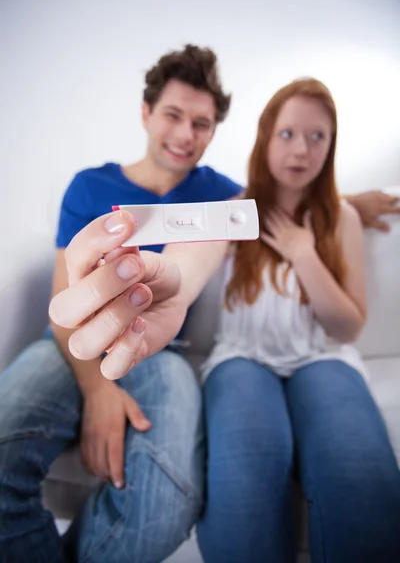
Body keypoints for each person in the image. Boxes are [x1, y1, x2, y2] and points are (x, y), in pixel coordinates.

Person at [50, 78, 400, 563]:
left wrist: (304, 254)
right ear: (264, 137)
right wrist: (172, 282)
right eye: (287, 134)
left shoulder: (339, 218)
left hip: (324, 357)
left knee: (358, 472)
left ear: (332, 145)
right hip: (243, 358)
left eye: (317, 136)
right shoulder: (234, 209)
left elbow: (348, 328)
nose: (301, 149)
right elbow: (190, 258)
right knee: (247, 474)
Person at [0, 44, 242, 563]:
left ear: (214, 131)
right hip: (72, 346)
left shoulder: (221, 194)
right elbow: (63, 305)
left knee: (168, 500)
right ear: (146, 112)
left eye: (201, 124)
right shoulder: (90, 186)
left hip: (165, 353)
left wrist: (358, 200)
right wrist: (99, 388)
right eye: (173, 115)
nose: (184, 135)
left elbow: (290, 196)